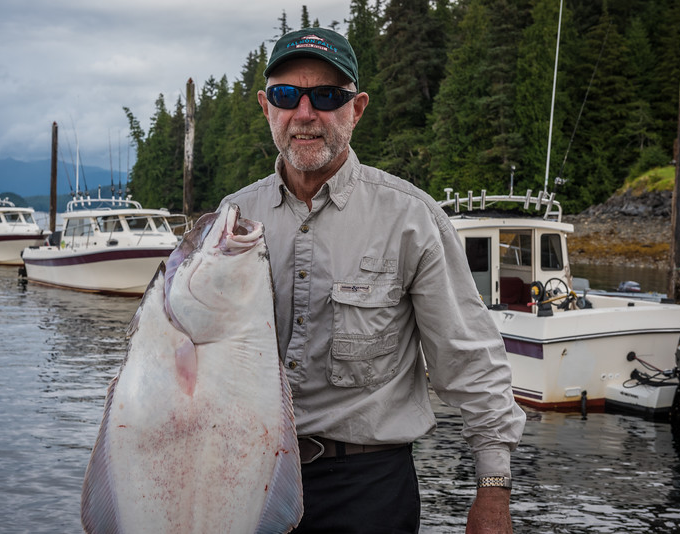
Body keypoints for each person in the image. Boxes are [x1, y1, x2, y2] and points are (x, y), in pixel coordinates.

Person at [222, 27, 526, 534]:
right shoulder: (227, 224)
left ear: (356, 109)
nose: (304, 113)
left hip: (367, 489)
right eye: (285, 95)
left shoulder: (411, 219)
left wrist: (493, 490)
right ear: (265, 106)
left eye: (325, 96)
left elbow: (468, 359)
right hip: (242, 477)